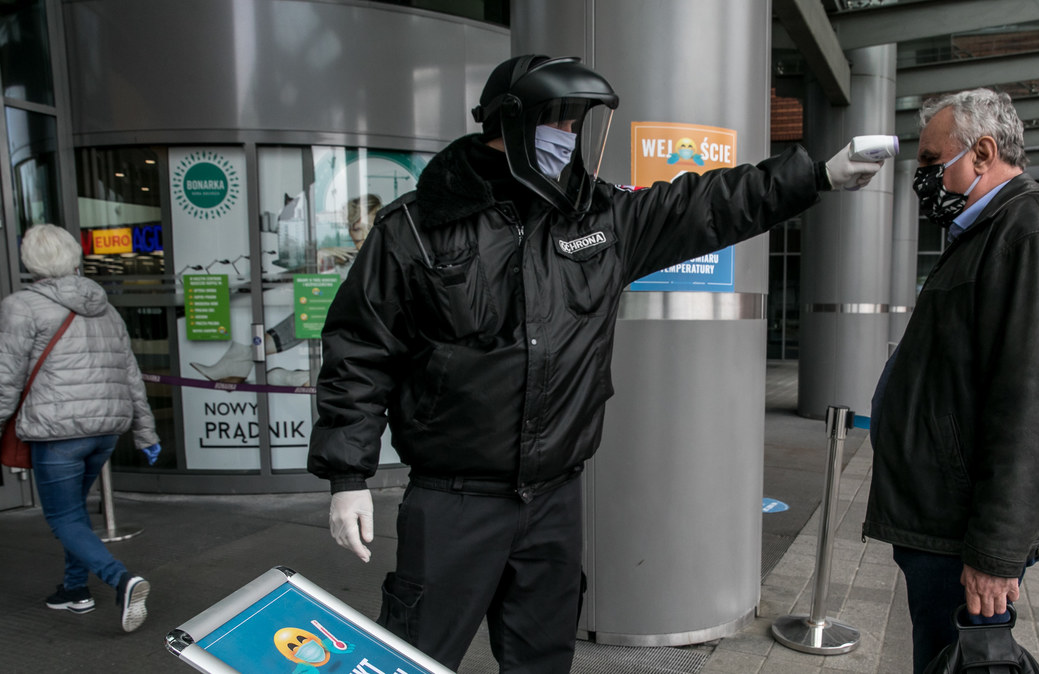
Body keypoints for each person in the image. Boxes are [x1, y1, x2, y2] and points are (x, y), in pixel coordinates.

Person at [307, 54, 884, 673]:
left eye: (578, 122)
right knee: (415, 656)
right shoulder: (418, 229)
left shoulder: (600, 219)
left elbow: (705, 204)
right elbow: (360, 350)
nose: (570, 136)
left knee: (543, 657)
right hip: (453, 498)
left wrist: (816, 176)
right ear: (511, 121)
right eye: (558, 119)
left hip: (554, 497)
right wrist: (348, 477)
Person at [862, 88, 1039, 673]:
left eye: (930, 161)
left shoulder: (1034, 239)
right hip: (942, 522)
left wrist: (996, 554)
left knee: (963, 663)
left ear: (983, 152)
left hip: (964, 533)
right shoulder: (985, 234)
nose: (922, 177)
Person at [0, 224, 160, 633]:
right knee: (76, 512)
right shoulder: (103, 305)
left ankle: (121, 580)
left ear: (30, 261)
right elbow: (130, 374)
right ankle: (74, 590)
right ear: (73, 256)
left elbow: (7, 377)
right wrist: (146, 433)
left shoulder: (22, 305)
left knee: (63, 516)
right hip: (105, 431)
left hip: (57, 432)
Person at [191, 194, 381, 386]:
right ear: (349, 231)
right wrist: (321, 255)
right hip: (355, 344)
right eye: (357, 229)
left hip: (373, 347)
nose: (364, 236)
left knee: (329, 311)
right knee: (315, 308)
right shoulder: (351, 257)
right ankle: (253, 360)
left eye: (370, 227)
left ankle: (259, 363)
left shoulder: (386, 256)